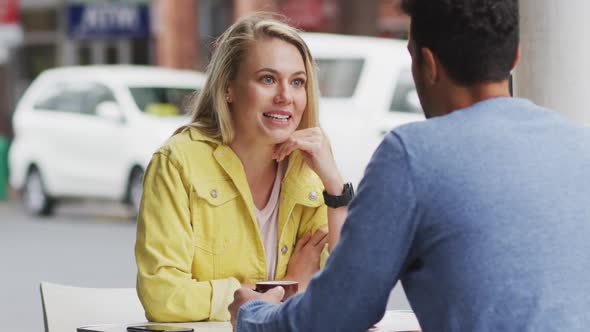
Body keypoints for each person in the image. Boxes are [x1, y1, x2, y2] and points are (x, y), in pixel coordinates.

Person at [229, 0, 590, 331]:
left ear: (427, 64)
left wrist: (253, 315)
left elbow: (337, 314)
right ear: (515, 58)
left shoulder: (412, 156)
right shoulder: (581, 146)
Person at [135, 14, 350, 322]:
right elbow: (163, 296)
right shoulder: (177, 163)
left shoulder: (310, 174)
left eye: (297, 82)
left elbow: (349, 297)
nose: (285, 97)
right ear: (228, 89)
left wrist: (335, 187)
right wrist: (286, 288)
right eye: (267, 79)